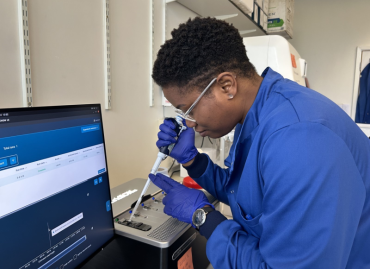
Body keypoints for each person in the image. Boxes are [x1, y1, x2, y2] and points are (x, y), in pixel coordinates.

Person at [149, 17, 370, 268]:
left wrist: (203, 217)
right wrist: (193, 161)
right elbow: (248, 198)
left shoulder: (299, 140)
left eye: (187, 109)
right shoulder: (258, 112)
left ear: (226, 85)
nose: (188, 124)